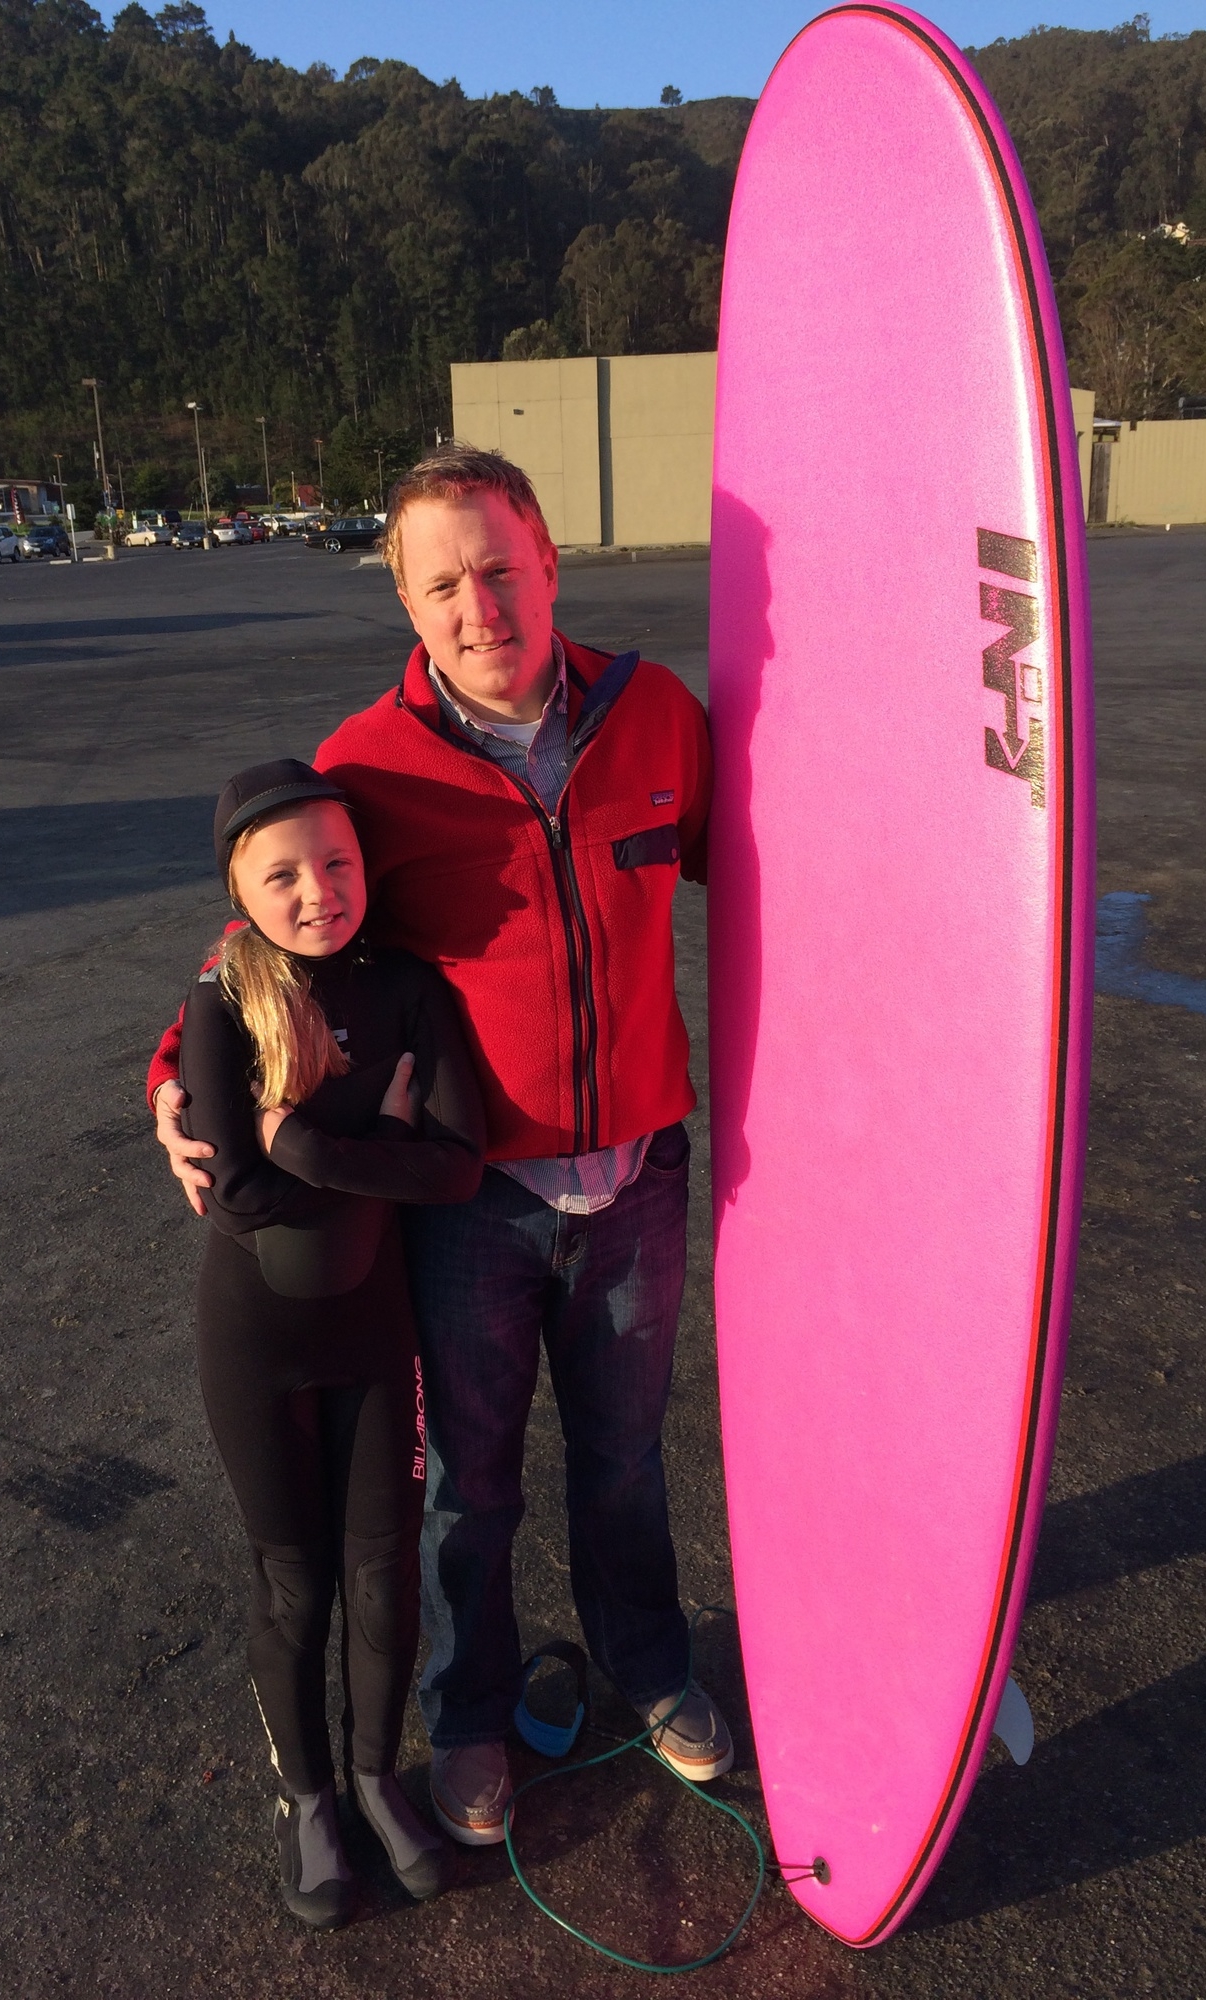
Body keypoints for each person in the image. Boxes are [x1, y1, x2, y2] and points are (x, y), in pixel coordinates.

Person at [150, 446, 732, 1851]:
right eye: (440, 584)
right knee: (469, 1480)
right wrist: (173, 1070)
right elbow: (260, 941)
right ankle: (468, 1715)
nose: (478, 606)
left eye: (497, 567)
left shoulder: (659, 718)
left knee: (621, 1455)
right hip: (471, 1202)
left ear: (548, 560)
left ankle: (647, 1666)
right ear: (407, 604)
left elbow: (770, 868)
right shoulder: (365, 767)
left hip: (640, 1177)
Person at [179, 759, 485, 1925]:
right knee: (296, 1578)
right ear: (238, 888)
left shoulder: (406, 988)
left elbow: (456, 1166)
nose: (319, 889)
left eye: (339, 861)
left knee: (382, 1569)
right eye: (284, 873)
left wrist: (312, 1144)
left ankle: (374, 1771)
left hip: (374, 1333)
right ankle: (307, 1791)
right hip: (255, 1342)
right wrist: (372, 1137)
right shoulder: (220, 1002)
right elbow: (235, 1197)